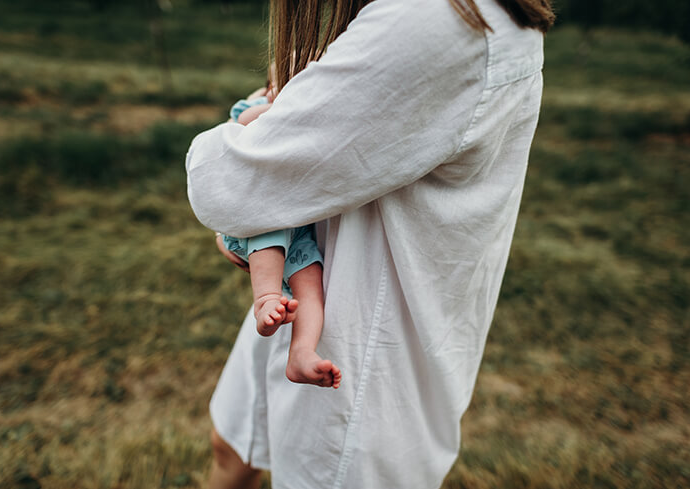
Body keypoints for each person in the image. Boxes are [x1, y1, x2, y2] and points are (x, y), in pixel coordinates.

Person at [185, 0, 554, 488]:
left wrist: (247, 145)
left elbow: (229, 181)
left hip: (364, 330)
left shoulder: (437, 19)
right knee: (236, 446)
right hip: (314, 261)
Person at [214, 84, 342, 389]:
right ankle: (267, 298)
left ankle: (301, 352)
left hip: (299, 234)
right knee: (268, 235)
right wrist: (278, 106)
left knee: (311, 289)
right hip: (262, 218)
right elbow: (243, 124)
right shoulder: (252, 106)